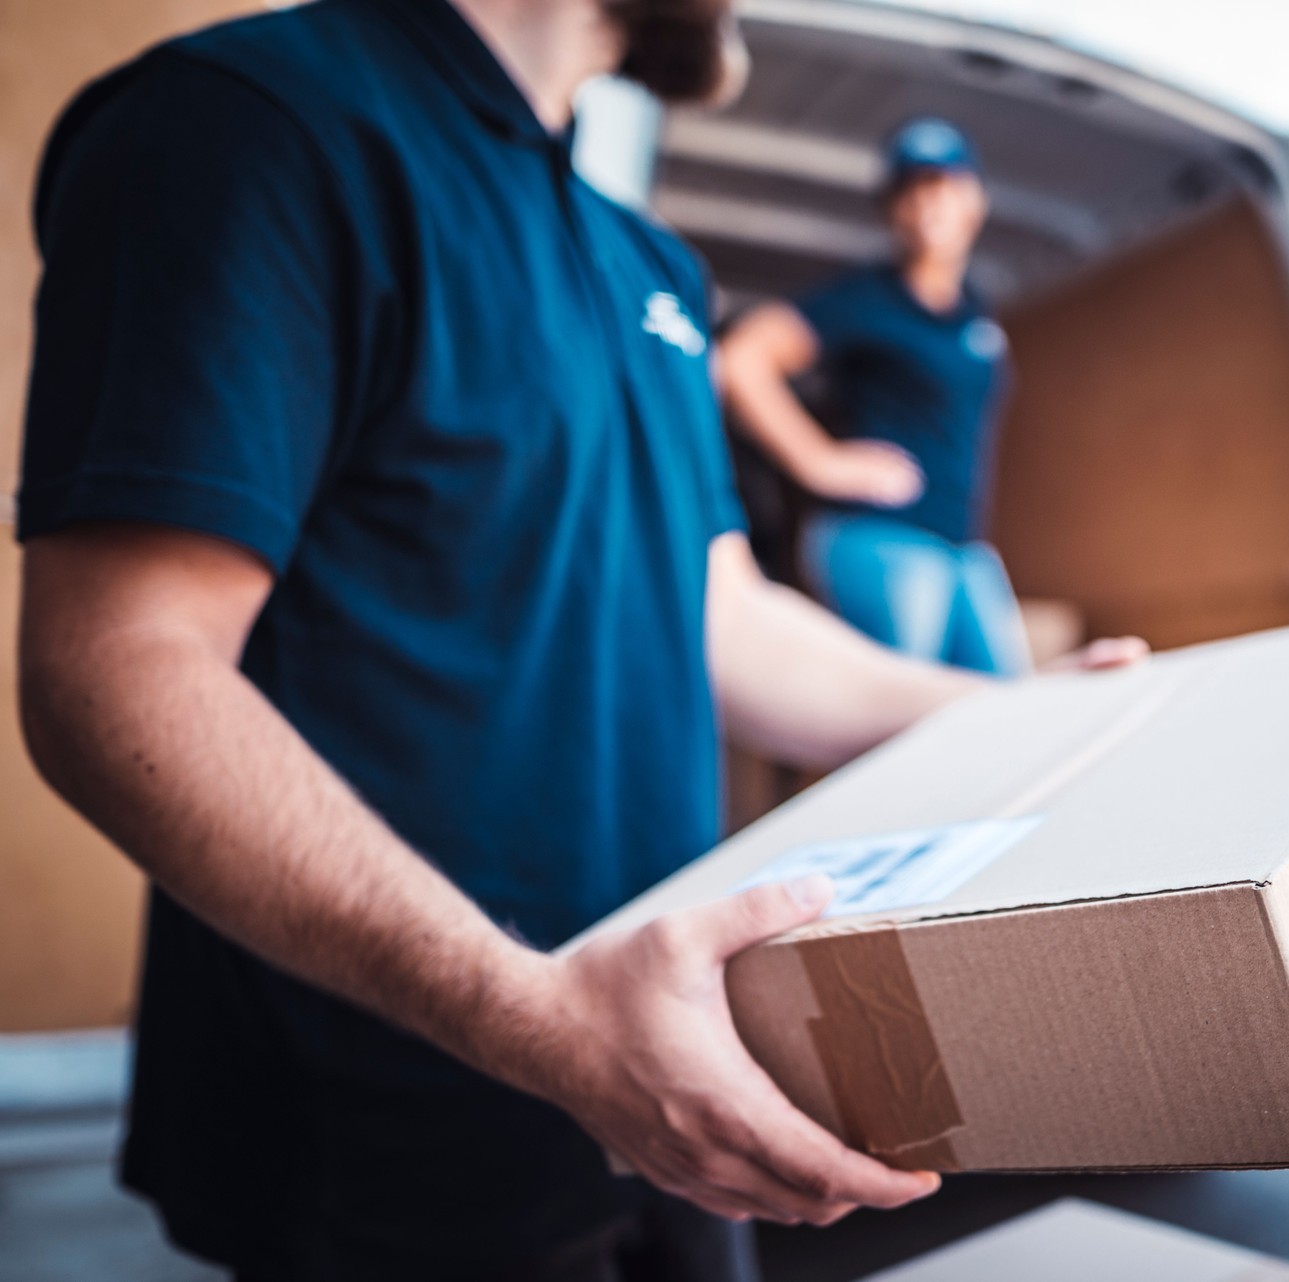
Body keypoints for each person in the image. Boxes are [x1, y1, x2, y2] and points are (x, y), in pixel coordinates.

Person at [12, 1, 1144, 1279]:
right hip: (401, 1129)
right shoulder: (256, 122)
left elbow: (725, 621)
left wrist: (1003, 708)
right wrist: (538, 1021)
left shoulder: (649, 268)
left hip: (682, 1070)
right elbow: (115, 669)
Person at [719, 117, 1030, 675]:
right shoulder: (866, 299)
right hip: (883, 538)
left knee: (1010, 705)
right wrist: (820, 462)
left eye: (944, 186)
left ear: (975, 201)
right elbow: (742, 360)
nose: (928, 204)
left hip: (964, 546)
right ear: (894, 209)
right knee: (901, 718)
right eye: (911, 190)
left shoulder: (975, 314)